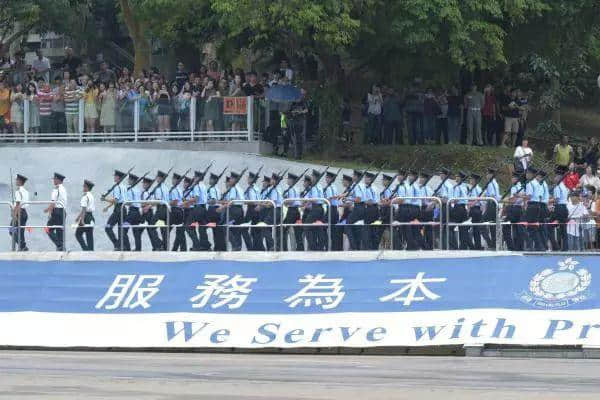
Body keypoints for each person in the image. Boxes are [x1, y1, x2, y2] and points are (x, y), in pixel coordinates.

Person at [103, 170, 127, 250]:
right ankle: (121, 246)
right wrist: (108, 207)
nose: (114, 177)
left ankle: (117, 244)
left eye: (115, 176)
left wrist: (105, 199)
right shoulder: (124, 187)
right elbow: (119, 200)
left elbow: (116, 200)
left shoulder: (117, 187)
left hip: (118, 210)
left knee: (108, 227)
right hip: (123, 209)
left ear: (118, 177)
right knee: (120, 229)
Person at [44, 173, 67, 251]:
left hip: (57, 211)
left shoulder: (56, 189)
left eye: (54, 179)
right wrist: (49, 209)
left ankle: (60, 245)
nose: (53, 180)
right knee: (59, 231)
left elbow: (53, 202)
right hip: (62, 211)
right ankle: (61, 247)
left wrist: (48, 211)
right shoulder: (63, 189)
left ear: (58, 180)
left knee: (48, 229)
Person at [549, 169, 569, 251]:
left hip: (559, 208)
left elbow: (556, 199)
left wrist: (547, 200)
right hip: (564, 208)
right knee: (563, 228)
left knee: (549, 226)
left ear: (559, 177)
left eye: (556, 176)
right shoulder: (564, 186)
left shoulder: (557, 187)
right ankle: (565, 247)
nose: (554, 178)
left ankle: (555, 246)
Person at [123, 173, 143, 251]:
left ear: (132, 181)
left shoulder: (130, 189)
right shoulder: (137, 189)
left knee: (123, 230)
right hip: (137, 212)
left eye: (129, 179)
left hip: (131, 213)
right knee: (136, 231)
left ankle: (127, 248)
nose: (128, 180)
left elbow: (130, 202)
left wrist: (124, 202)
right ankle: (138, 249)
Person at [75, 180, 95, 251]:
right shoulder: (91, 196)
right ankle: (91, 251)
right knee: (89, 236)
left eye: (84, 186)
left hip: (86, 217)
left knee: (78, 234)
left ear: (86, 187)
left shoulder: (85, 196)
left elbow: (84, 209)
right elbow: (86, 209)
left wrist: (82, 220)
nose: (83, 187)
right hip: (91, 217)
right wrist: (78, 217)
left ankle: (86, 250)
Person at [11, 174, 29, 251]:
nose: (16, 181)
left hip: (19, 212)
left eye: (17, 180)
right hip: (24, 213)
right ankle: (23, 247)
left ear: (20, 181)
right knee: (20, 232)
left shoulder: (18, 191)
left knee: (12, 231)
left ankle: (22, 246)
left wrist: (14, 214)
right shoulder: (26, 191)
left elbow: (18, 204)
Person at [169, 173, 186, 252]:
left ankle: (164, 246)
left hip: (175, 211)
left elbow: (175, 202)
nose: (172, 180)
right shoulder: (179, 189)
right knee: (180, 231)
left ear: (176, 180)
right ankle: (181, 248)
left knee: (166, 229)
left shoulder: (175, 189)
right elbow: (182, 200)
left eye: (173, 179)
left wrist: (166, 202)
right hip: (179, 211)